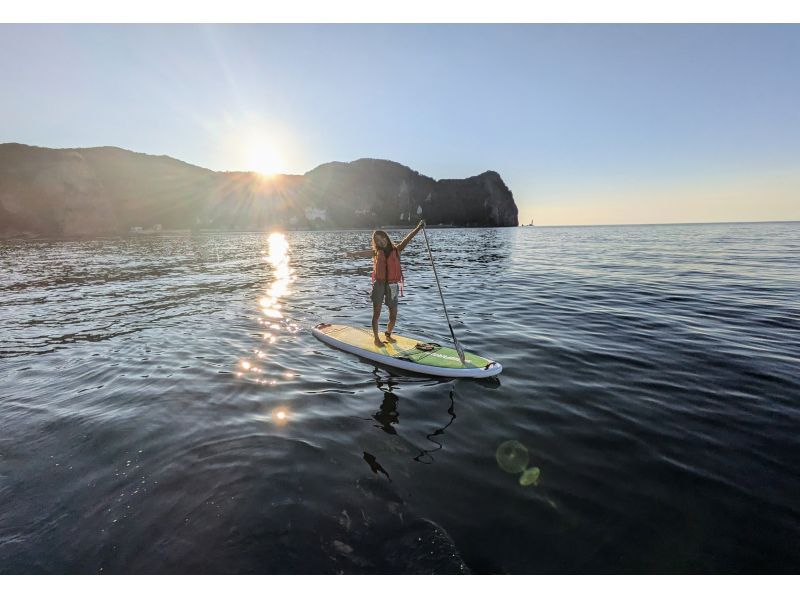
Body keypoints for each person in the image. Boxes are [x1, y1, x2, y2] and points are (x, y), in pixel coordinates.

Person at [346, 220, 425, 346]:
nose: (379, 241)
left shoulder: (397, 249)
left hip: (393, 285)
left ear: (385, 237)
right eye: (376, 240)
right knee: (376, 312)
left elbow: (408, 238)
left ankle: (388, 334)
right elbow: (364, 253)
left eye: (380, 237)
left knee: (393, 315)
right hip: (379, 284)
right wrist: (353, 254)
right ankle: (376, 339)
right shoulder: (376, 252)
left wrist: (418, 228)